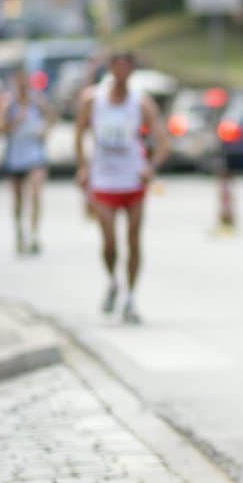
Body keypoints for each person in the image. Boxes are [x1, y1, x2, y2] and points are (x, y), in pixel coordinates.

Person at [74, 52, 169, 324]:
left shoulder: (141, 102)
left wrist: (150, 167)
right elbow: (79, 134)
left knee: (133, 240)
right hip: (103, 178)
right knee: (109, 242)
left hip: (132, 179)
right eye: (118, 68)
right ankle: (112, 281)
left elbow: (162, 142)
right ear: (111, 70)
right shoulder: (93, 99)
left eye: (127, 68)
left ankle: (131, 297)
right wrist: (83, 166)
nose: (122, 73)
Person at [0, 65, 56, 255]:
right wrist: (14, 122)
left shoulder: (37, 100)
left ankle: (35, 234)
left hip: (35, 154)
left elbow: (52, 115)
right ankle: (20, 232)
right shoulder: (7, 103)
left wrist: (45, 130)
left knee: (36, 192)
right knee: (19, 199)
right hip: (15, 156)